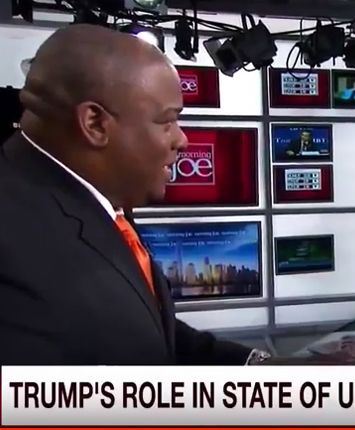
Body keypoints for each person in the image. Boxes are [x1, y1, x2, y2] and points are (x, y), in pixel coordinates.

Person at [0, 24, 272, 365]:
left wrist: (262, 368)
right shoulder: (11, 242)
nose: (182, 140)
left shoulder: (99, 197)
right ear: (94, 123)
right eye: (167, 121)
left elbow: (141, 327)